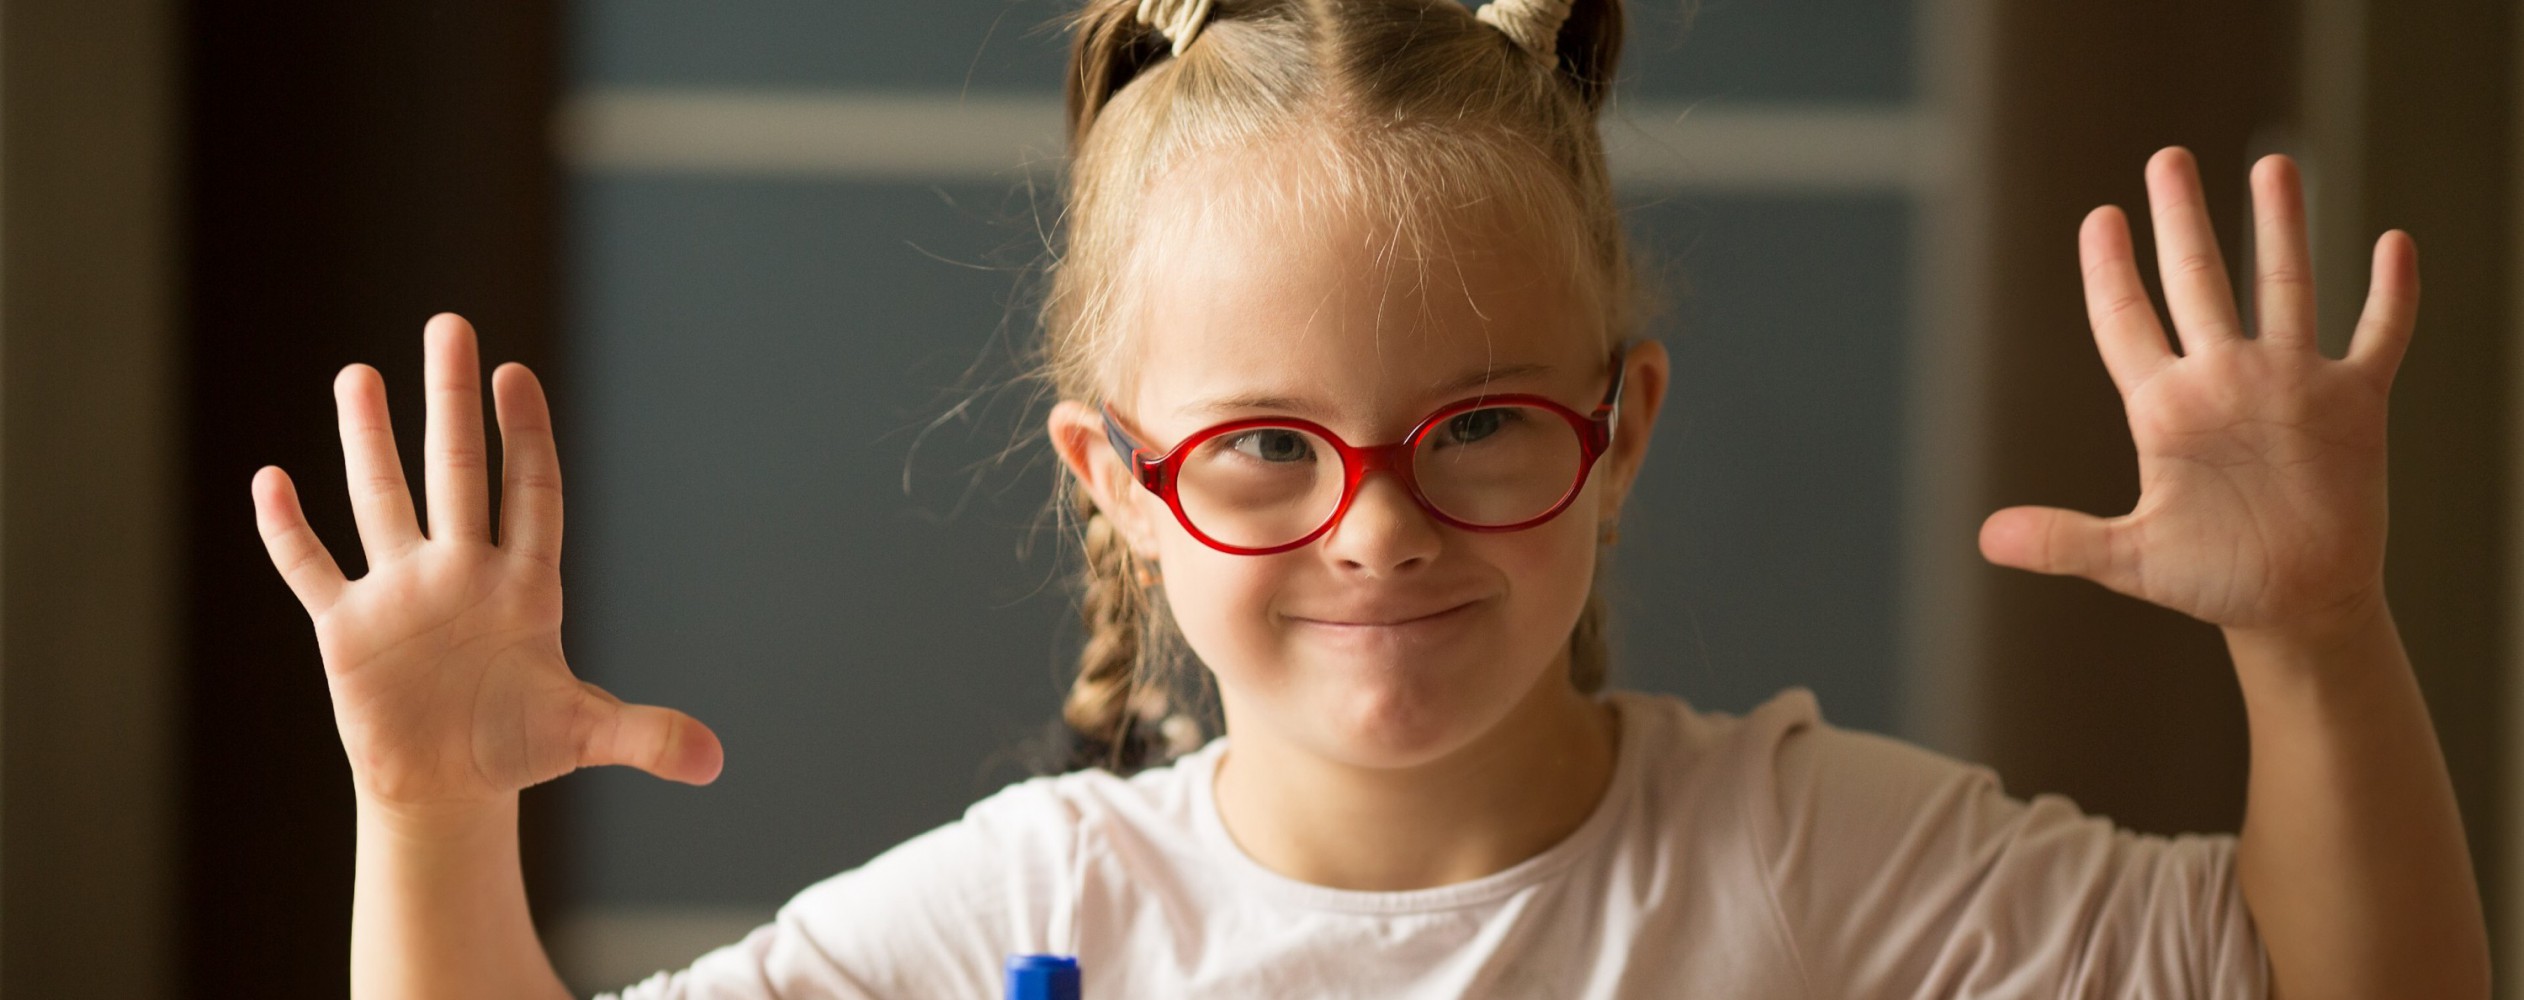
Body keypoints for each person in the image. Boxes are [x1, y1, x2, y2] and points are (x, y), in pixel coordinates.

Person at [248, 0, 2490, 997]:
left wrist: (2311, 632)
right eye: (1261, 450)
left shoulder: (1816, 860)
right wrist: (432, 815)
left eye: (1480, 426)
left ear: (1616, 432)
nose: (1378, 529)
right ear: (1115, 488)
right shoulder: (1032, 917)